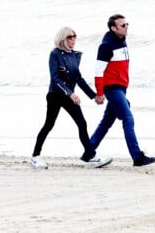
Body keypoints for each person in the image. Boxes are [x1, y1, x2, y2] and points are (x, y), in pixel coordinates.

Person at [30, 27, 112, 170]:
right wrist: (71, 93)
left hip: (69, 97)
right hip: (56, 95)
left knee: (82, 123)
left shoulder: (74, 55)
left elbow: (79, 79)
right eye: (70, 37)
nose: (73, 39)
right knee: (49, 125)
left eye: (75, 37)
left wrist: (95, 95)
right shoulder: (55, 54)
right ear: (63, 38)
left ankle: (90, 156)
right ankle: (35, 156)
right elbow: (55, 79)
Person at [90, 14, 155, 167]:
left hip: (121, 88)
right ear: (114, 28)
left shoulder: (122, 41)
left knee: (106, 122)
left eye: (127, 24)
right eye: (123, 25)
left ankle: (89, 150)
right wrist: (99, 93)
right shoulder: (106, 46)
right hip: (112, 88)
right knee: (128, 119)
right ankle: (137, 156)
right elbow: (98, 71)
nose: (127, 28)